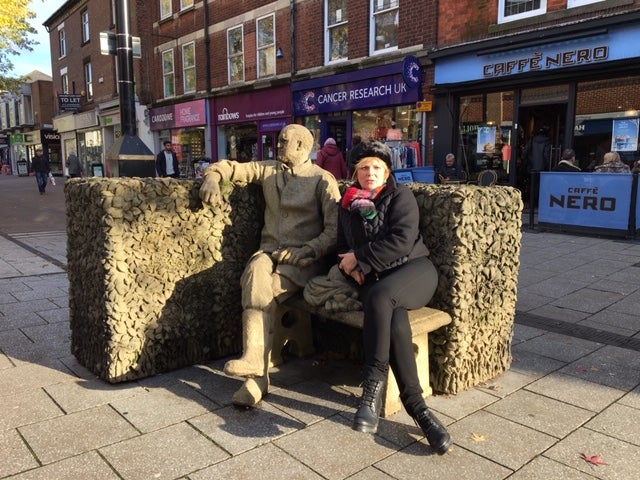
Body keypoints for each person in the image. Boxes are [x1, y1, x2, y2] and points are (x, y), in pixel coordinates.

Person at [199, 124, 341, 406]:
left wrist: (309, 250)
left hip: (302, 263)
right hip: (269, 252)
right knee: (254, 271)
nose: (277, 146)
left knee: (269, 290)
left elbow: (334, 231)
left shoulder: (322, 180)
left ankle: (258, 380)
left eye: (283, 141)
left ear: (301, 146)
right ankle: (253, 358)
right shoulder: (269, 170)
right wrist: (212, 178)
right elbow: (231, 167)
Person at [336, 140, 452, 455]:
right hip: (377, 281)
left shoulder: (400, 196)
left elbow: (401, 242)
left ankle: (372, 387)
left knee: (381, 296)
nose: (369, 173)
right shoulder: (346, 206)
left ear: (387, 171)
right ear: (355, 172)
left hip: (415, 271)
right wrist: (350, 266)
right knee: (393, 316)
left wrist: (359, 257)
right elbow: (341, 248)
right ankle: (420, 410)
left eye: (376, 167)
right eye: (363, 168)